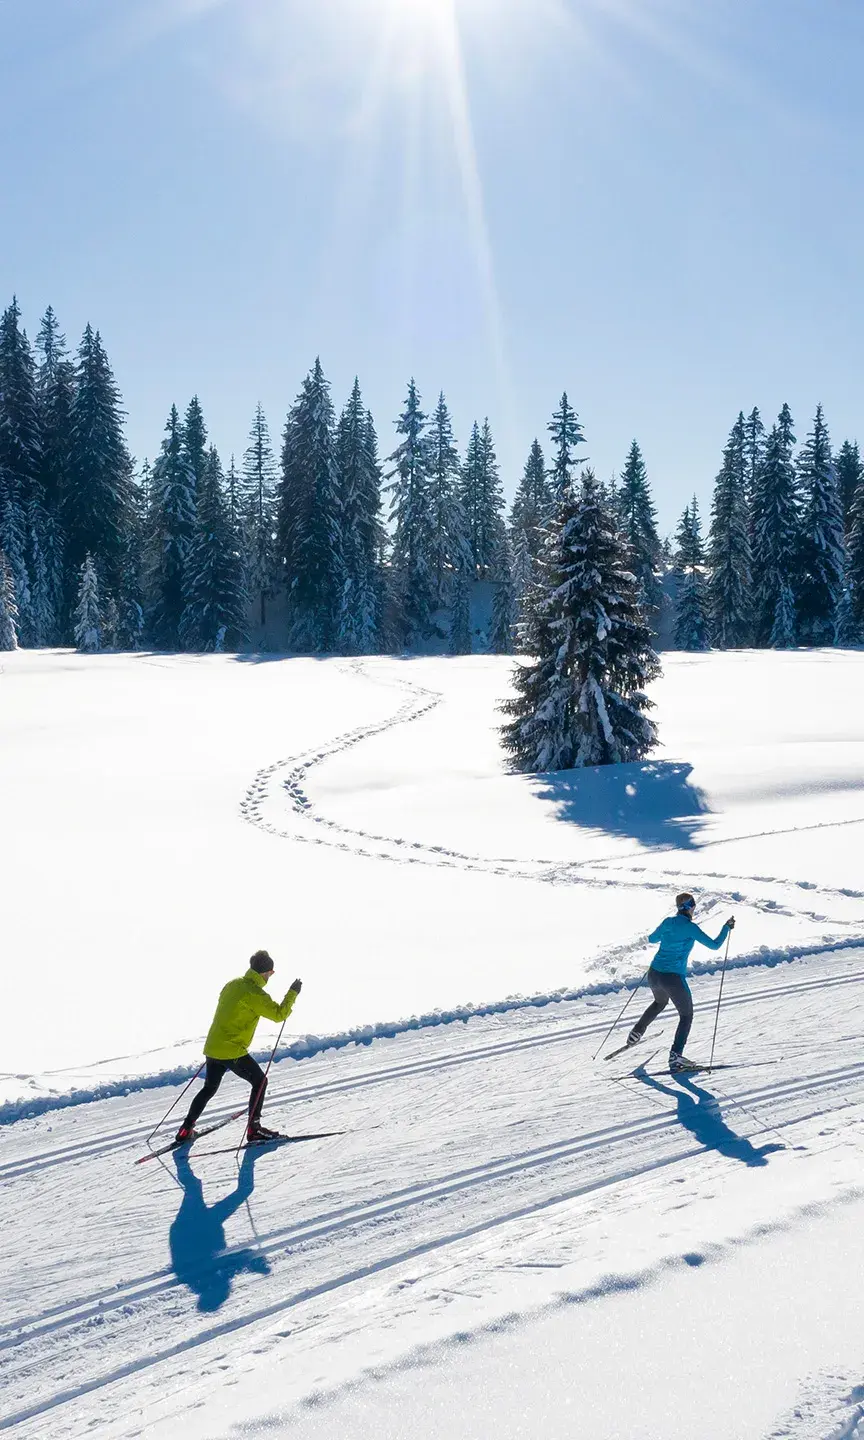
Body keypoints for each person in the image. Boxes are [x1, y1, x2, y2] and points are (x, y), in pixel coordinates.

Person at [176, 951, 302, 1144]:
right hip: (232, 1050)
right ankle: (254, 1130)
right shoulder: (256, 994)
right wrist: (292, 993)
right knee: (260, 1082)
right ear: (265, 973)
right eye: (271, 972)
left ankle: (186, 1129)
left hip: (213, 1046)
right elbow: (279, 1014)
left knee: (209, 1088)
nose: (270, 976)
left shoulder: (232, 984)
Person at [626, 893, 734, 1072]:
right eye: (693, 905)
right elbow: (715, 945)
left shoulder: (668, 922)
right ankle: (676, 1056)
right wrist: (726, 928)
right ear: (690, 907)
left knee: (660, 1002)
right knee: (686, 1015)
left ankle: (636, 1032)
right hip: (673, 978)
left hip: (654, 974)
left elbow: (652, 939)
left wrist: (667, 934)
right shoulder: (690, 927)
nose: (694, 908)